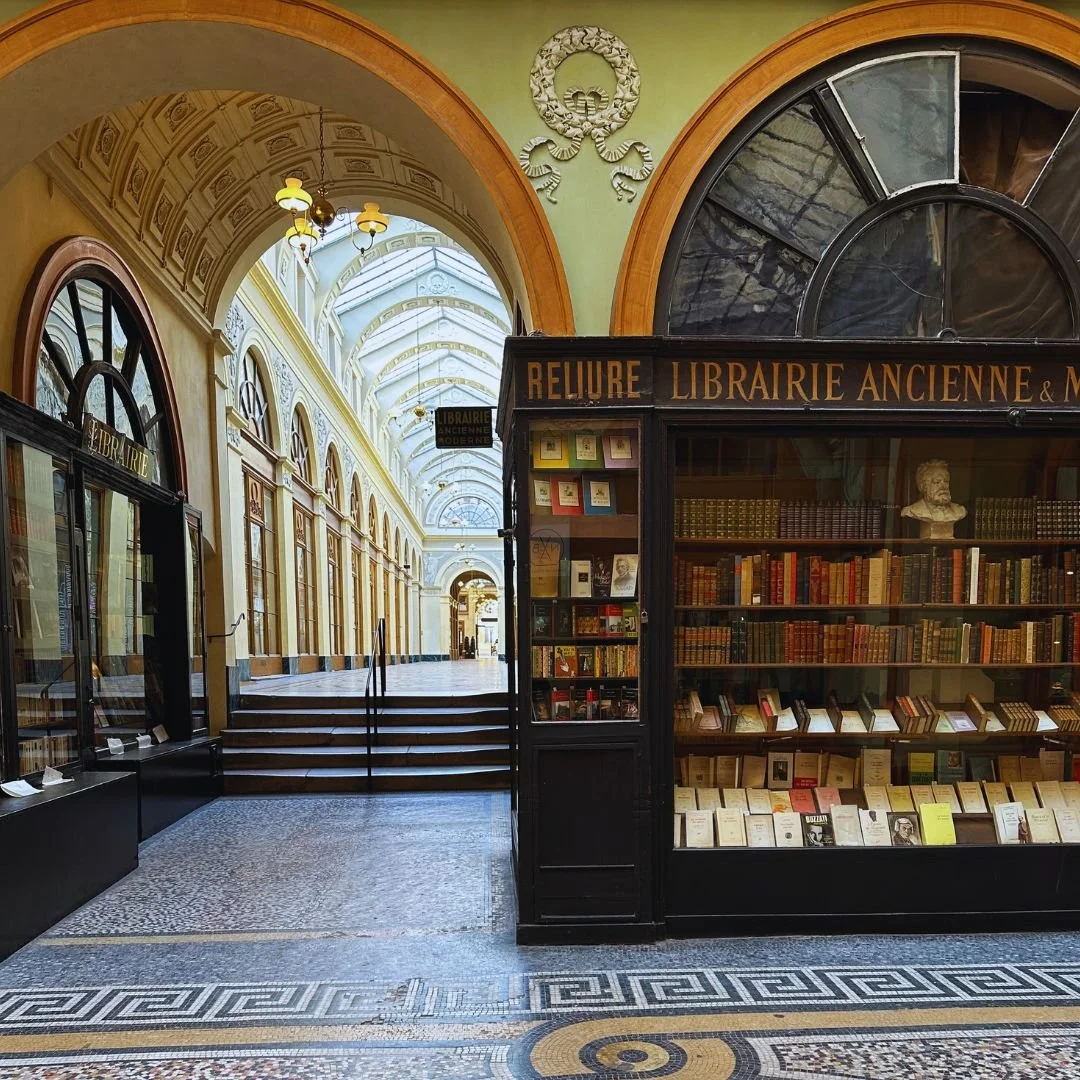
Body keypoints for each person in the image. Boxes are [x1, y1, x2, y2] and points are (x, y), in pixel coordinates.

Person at [901, 459, 967, 538]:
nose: (943, 486)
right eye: (937, 482)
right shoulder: (911, 511)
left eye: (946, 481)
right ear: (923, 486)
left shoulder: (960, 511)